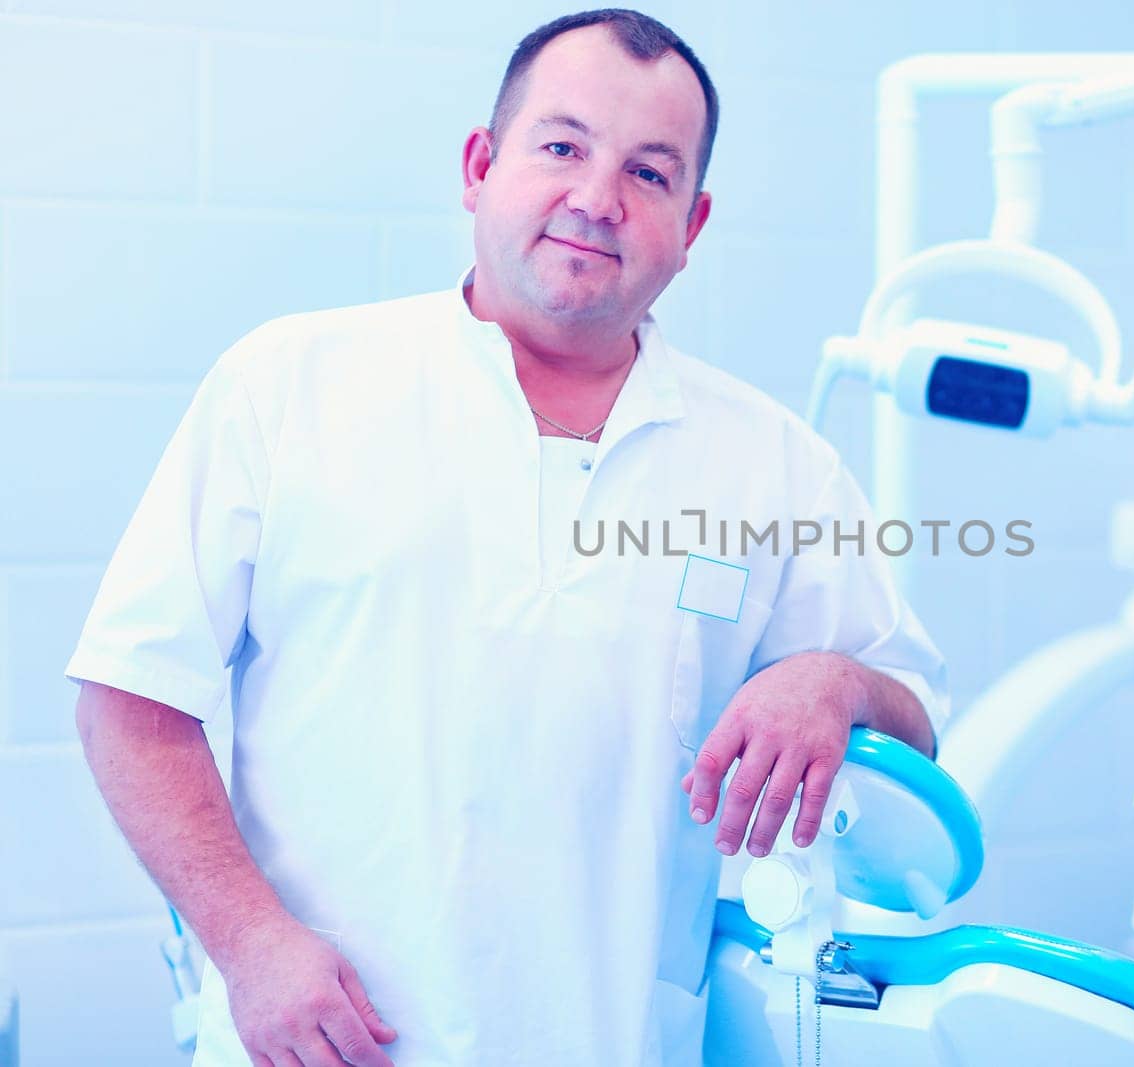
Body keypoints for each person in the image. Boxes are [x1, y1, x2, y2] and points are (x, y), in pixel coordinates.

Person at [66, 9, 947, 1067]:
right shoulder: (289, 385)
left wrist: (833, 682)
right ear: (482, 166)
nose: (596, 198)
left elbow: (916, 723)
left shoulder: (775, 465)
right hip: (323, 1044)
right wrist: (251, 945)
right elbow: (129, 694)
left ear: (693, 223)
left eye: (649, 173)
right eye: (562, 147)